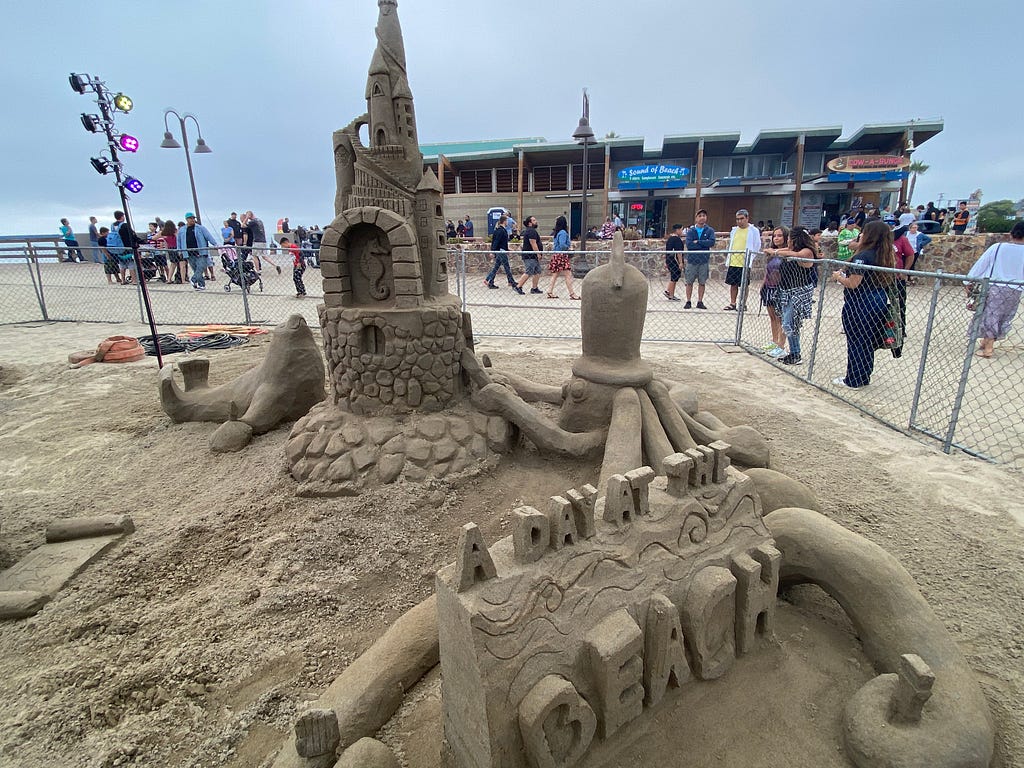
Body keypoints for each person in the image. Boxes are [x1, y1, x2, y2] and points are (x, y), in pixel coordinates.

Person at [831, 220, 895, 388]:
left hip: (861, 302)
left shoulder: (864, 256)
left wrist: (838, 277)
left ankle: (853, 379)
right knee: (866, 340)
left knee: (856, 341)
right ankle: (863, 376)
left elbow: (853, 283)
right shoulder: (883, 255)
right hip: (877, 299)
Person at [965, 222, 1024, 358]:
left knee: (991, 315)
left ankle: (989, 347)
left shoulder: (998, 248)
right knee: (1004, 316)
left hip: (995, 286)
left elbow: (982, 264)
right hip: (1015, 289)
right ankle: (987, 342)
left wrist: (969, 280)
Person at [766, 226, 817, 365]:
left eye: (789, 239)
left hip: (799, 292)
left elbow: (797, 255)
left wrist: (776, 252)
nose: (788, 241)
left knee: (790, 323)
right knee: (788, 322)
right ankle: (794, 352)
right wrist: (775, 251)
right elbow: (786, 251)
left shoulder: (807, 251)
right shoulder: (791, 251)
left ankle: (796, 354)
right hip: (788, 291)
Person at [724, 209, 761, 310]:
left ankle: (742, 303)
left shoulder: (753, 231)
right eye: (737, 219)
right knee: (733, 284)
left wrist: (751, 257)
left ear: (747, 218)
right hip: (733, 261)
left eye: (741, 219)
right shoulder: (734, 230)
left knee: (744, 284)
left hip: (745, 262)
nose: (739, 221)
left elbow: (757, 245)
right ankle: (733, 303)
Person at [760, 227, 787, 358]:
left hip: (780, 288)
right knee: (772, 317)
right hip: (769, 287)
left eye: (780, 236)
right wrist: (763, 285)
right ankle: (774, 340)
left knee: (780, 317)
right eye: (775, 236)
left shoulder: (786, 253)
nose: (776, 238)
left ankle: (781, 344)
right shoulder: (772, 254)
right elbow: (767, 271)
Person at [684, 209, 715, 309]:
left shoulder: (709, 230)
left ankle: (700, 301)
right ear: (696, 218)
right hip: (692, 260)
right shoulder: (691, 231)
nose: (702, 217)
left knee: (702, 282)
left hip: (703, 260)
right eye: (700, 215)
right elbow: (689, 244)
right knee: (689, 281)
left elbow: (711, 242)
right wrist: (702, 243)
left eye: (704, 215)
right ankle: (688, 301)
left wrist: (698, 242)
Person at [180, 212, 220, 291]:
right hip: (188, 252)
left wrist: (215, 244)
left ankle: (193, 279)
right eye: (190, 218)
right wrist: (180, 251)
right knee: (195, 268)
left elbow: (208, 236)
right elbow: (179, 241)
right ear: (187, 219)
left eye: (193, 218)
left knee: (201, 267)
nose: (192, 220)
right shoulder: (182, 230)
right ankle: (201, 285)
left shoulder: (200, 228)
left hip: (201, 252)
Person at [546, 215, 579, 299]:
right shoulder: (563, 233)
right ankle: (572, 293)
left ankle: (550, 291)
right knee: (568, 274)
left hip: (557, 255)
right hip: (562, 255)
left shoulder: (557, 233)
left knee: (555, 274)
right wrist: (569, 247)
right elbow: (562, 245)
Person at [484, 214, 516, 289]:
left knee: (497, 266)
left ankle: (489, 280)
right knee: (506, 266)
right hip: (501, 251)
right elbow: (496, 242)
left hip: (501, 250)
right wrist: (493, 251)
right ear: (504, 221)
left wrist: (508, 249)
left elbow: (501, 242)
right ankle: (511, 281)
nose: (508, 222)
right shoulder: (501, 231)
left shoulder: (500, 230)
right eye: (507, 220)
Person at [514, 215, 544, 295]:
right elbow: (533, 243)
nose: (536, 221)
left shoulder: (532, 231)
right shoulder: (531, 231)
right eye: (534, 220)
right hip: (530, 255)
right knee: (529, 271)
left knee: (537, 271)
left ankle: (534, 288)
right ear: (529, 223)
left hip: (532, 256)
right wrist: (538, 253)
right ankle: (518, 286)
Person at [663, 223, 684, 302]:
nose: (682, 231)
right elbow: (678, 252)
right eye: (681, 229)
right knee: (675, 276)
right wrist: (681, 262)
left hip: (669, 259)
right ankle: (671, 294)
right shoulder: (676, 239)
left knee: (674, 275)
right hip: (673, 259)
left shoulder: (670, 238)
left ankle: (668, 290)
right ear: (677, 230)